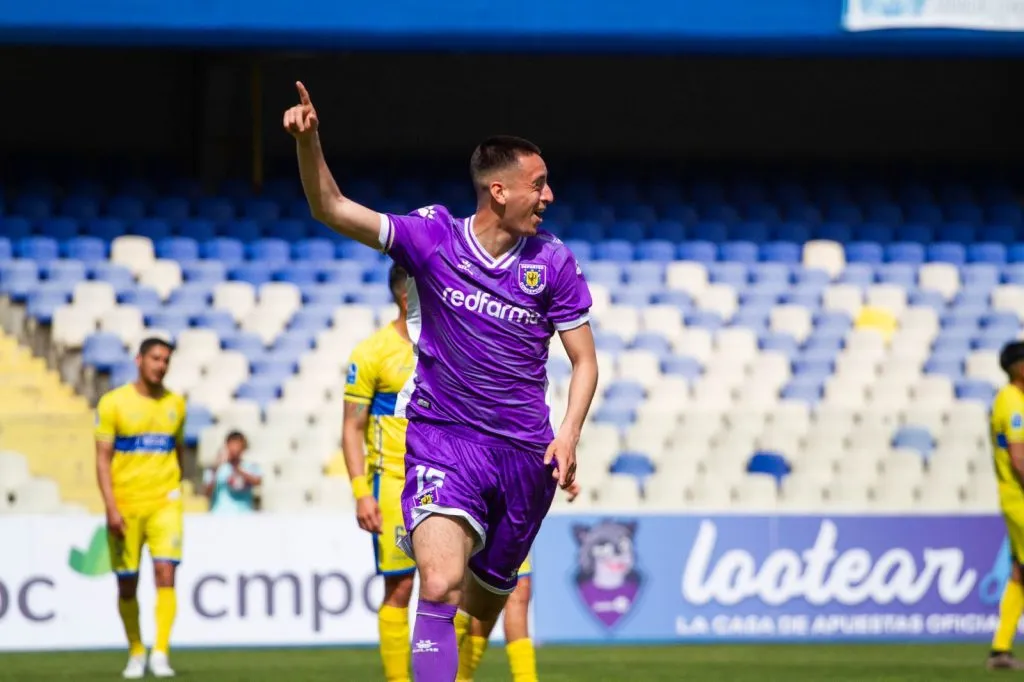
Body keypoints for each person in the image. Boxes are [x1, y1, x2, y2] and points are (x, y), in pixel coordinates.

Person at [285, 82, 599, 682]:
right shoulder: (433, 239)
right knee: (439, 583)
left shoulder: (553, 261)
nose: (550, 196)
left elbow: (584, 360)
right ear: (498, 189)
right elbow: (331, 206)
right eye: (540, 184)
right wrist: (310, 141)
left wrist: (568, 434)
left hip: (525, 457)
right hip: (442, 440)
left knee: (482, 613)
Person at [344, 263, 541, 682]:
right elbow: (351, 426)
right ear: (408, 295)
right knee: (403, 589)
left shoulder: (460, 342)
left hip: (467, 477)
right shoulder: (372, 353)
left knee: (486, 594)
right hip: (397, 480)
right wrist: (362, 491)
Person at [95, 337, 186, 679]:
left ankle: (160, 652)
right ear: (139, 360)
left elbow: (177, 452)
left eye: (166, 360)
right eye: (155, 359)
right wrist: (111, 507)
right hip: (126, 505)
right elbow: (102, 460)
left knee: (166, 573)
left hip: (165, 503)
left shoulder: (177, 404)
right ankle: (136, 651)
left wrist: (175, 488)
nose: (161, 365)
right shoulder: (113, 403)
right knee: (127, 583)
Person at [454, 483, 581, 682]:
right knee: (478, 600)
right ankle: (445, 673)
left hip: (516, 496)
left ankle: (525, 678)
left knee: (517, 589)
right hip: (478, 488)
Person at [987, 340, 1024, 671]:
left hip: (1014, 499)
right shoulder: (1012, 403)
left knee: (1019, 574)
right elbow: (1019, 458)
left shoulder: (1016, 400)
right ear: (1016, 367)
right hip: (1020, 500)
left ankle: (1000, 650)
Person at [203, 430, 262, 514]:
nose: (235, 449)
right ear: (226, 446)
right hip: (220, 515)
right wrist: (217, 467)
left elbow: (258, 482)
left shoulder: (250, 466)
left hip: (244, 515)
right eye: (232, 445)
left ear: (243, 447)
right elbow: (206, 493)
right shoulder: (216, 468)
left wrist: (237, 469)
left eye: (238, 445)